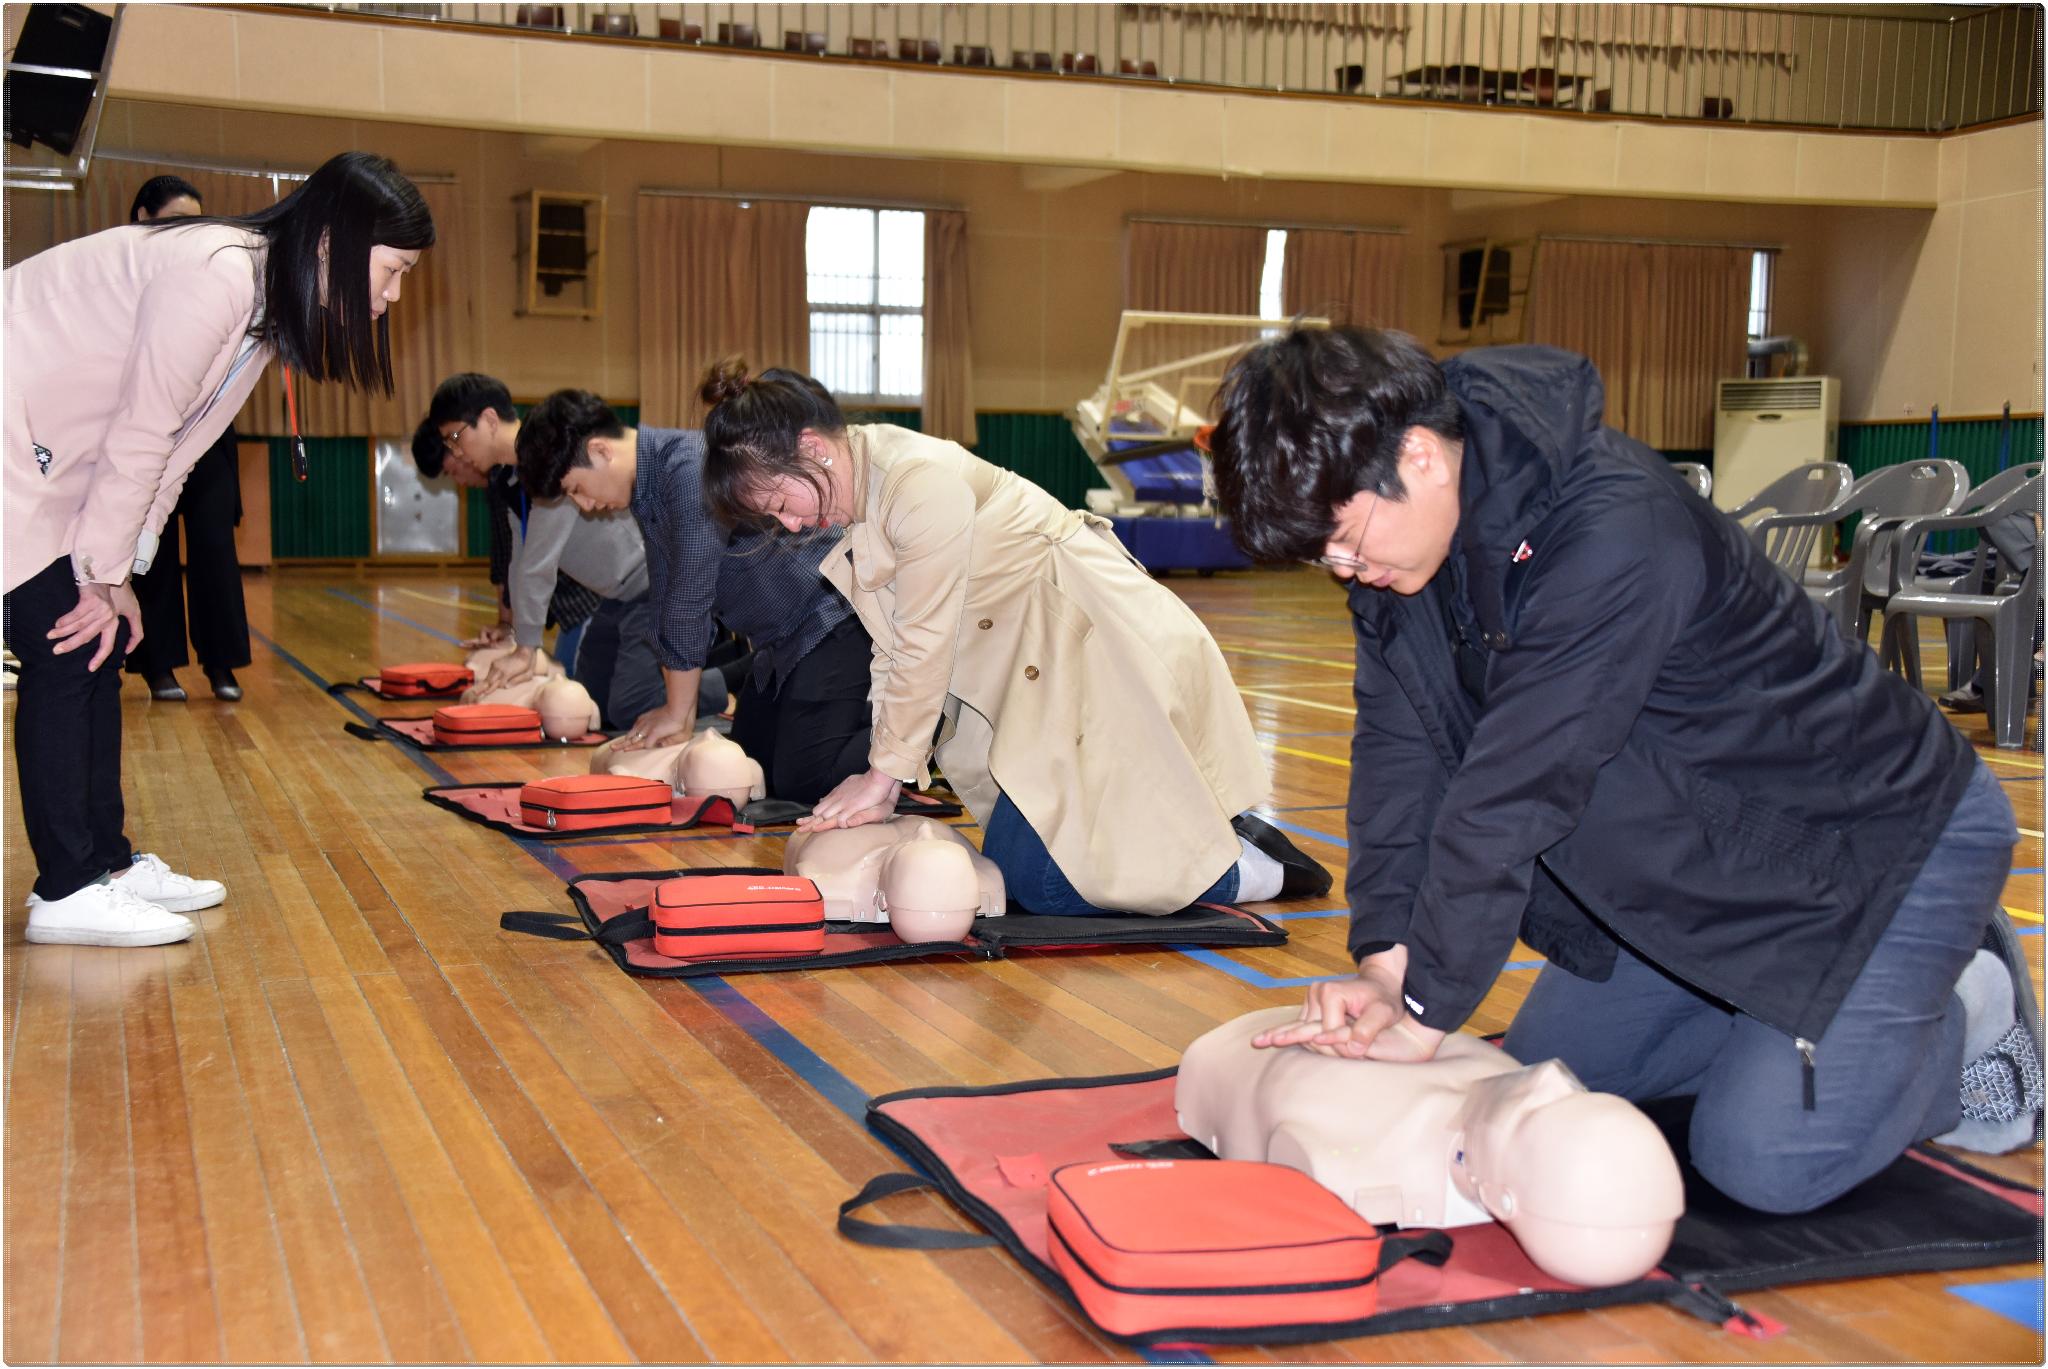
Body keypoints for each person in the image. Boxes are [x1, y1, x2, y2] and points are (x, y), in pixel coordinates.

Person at [1204, 326, 2032, 1215]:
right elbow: (1399, 763)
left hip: (1870, 854)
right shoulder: (1399, 564)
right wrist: (1387, 964)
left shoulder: (1612, 530)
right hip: (1706, 864)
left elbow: (1513, 791)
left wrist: (1423, 1013)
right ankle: (1804, 1028)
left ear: (1419, 457)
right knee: (1554, 1083)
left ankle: (1966, 1008)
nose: (1343, 568)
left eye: (1344, 540)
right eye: (1323, 557)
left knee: (1759, 1158)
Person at [695, 360, 1329, 916]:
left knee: (1044, 885)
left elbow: (923, 643)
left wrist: (882, 779)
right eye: (773, 516)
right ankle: (1203, 834)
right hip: (1043, 677)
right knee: (1023, 868)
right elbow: (889, 651)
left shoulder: (916, 482)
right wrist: (876, 772)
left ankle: (1248, 870)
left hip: (1097, 653)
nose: (792, 523)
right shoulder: (866, 492)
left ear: (813, 446)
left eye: (782, 500)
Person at [5, 150, 434, 947]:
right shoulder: (219, 275)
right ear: (336, 245)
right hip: (17, 418)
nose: (394, 295)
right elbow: (141, 429)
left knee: (97, 640)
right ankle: (65, 889)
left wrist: (123, 571)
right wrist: (97, 576)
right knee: (66, 638)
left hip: (59, 443)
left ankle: (104, 864)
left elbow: (176, 451)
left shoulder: (264, 308)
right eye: (394, 269)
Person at [516, 389, 875, 805]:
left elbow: (690, 596)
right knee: (749, 764)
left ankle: (917, 732)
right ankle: (860, 715)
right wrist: (679, 712)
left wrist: (677, 711)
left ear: (600, 451)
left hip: (831, 620)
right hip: (780, 644)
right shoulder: (650, 483)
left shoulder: (686, 468)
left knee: (807, 780)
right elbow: (665, 597)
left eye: (576, 488)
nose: (586, 505)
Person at [1177, 1005, 1685, 1288]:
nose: (1548, 1080)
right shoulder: (1350, 1149)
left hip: (1280, 1070)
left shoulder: (1351, 1157)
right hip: (1248, 1057)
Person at [411, 374, 665, 728]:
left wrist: (525, 648)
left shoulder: (548, 452)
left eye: (455, 438)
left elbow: (538, 562)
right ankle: (704, 677)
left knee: (629, 708)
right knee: (595, 702)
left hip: (652, 585)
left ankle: (710, 679)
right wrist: (512, 629)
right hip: (616, 596)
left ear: (488, 420)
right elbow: (519, 555)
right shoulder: (508, 477)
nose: (456, 452)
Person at [120, 175, 254, 703]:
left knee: (214, 544)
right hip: (152, 430)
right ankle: (158, 666)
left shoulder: (213, 276)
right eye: (176, 220)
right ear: (143, 219)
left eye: (197, 222)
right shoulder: (126, 279)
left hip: (209, 433)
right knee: (150, 549)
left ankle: (221, 663)